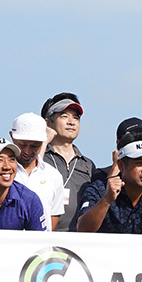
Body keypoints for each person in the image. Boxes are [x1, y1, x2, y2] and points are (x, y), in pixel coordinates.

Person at [73, 132, 142, 235]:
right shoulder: (99, 191)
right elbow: (83, 229)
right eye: (139, 163)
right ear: (121, 166)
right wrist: (106, 200)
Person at [41, 93, 96, 232]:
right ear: (48, 122)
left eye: (76, 117)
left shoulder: (87, 165)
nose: (71, 122)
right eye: (64, 116)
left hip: (75, 242)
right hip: (40, 238)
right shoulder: (39, 158)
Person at [9, 113, 66, 230]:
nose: (27, 150)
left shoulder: (53, 176)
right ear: (11, 136)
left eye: (35, 145)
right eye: (22, 144)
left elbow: (53, 217)